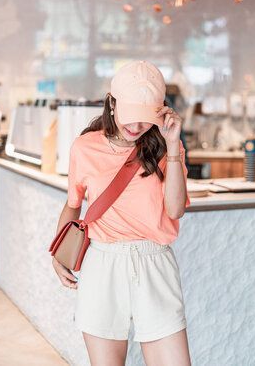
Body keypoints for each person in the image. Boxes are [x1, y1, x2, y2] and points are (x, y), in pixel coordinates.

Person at [52, 60, 192, 366]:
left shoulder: (165, 147)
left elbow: (175, 209)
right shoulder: (84, 147)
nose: (136, 126)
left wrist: (171, 145)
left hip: (155, 263)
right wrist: (58, 256)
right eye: (130, 115)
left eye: (145, 118)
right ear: (112, 103)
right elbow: (73, 204)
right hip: (103, 265)